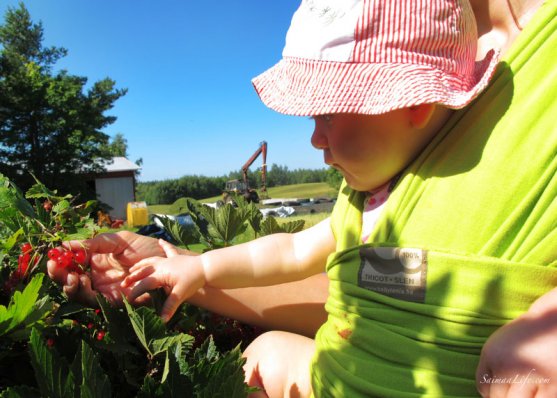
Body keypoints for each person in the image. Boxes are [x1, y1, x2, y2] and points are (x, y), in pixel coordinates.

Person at [47, 0, 557, 396]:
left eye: (327, 114)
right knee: (262, 353)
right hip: (336, 375)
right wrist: (190, 268)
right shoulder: (363, 195)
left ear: (414, 101)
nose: (314, 139)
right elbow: (290, 252)